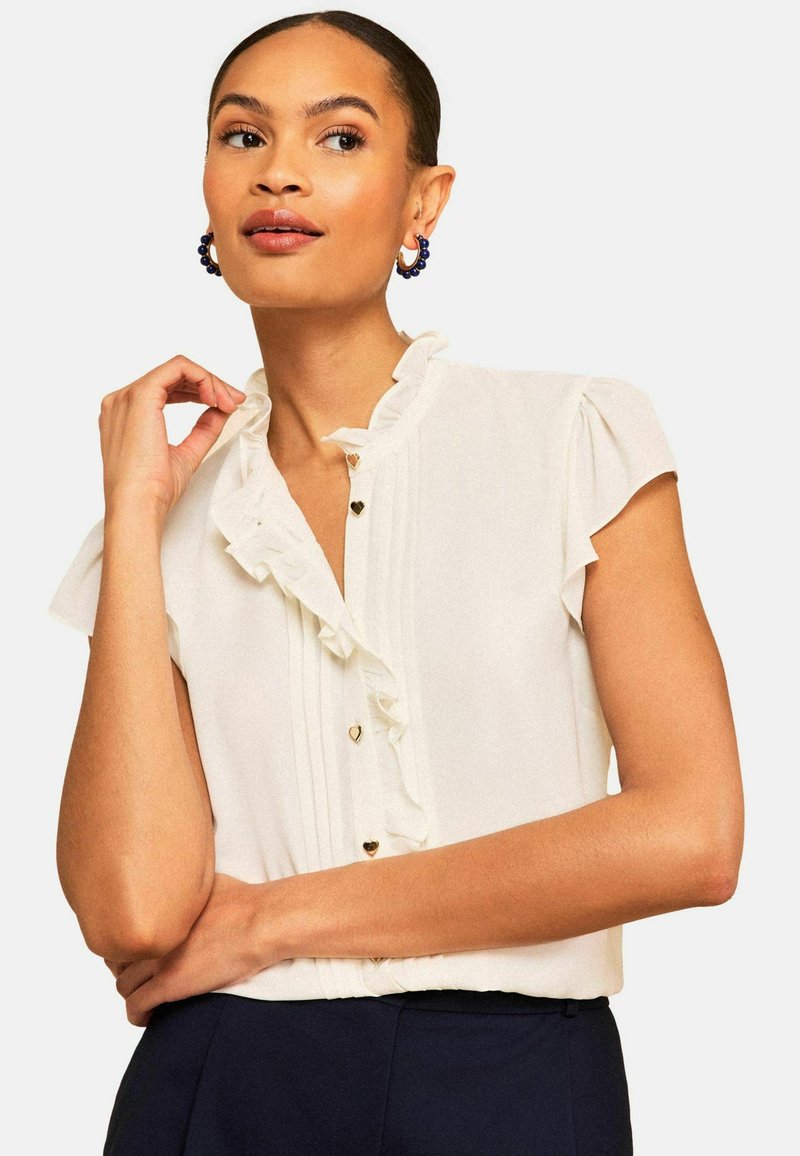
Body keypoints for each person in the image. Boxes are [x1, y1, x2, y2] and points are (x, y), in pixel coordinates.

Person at [47, 11, 745, 1155]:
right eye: (241, 136)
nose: (278, 171)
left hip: (513, 1084)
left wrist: (274, 919)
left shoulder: (572, 438)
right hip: (219, 1087)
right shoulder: (162, 519)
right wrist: (130, 518)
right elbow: (133, 910)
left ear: (424, 202)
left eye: (338, 138)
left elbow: (692, 833)